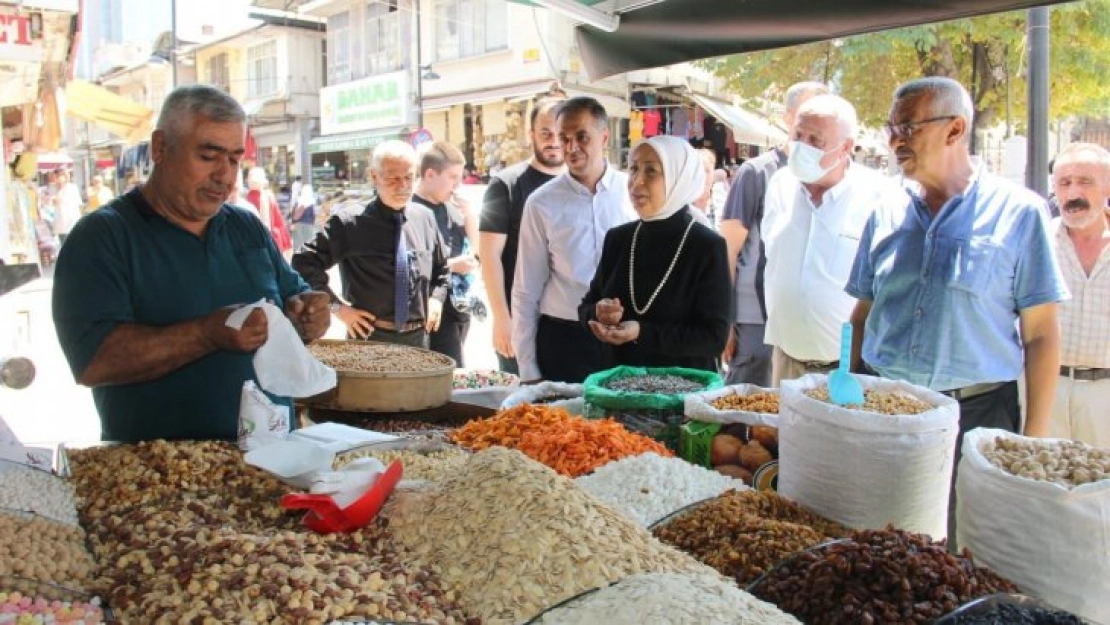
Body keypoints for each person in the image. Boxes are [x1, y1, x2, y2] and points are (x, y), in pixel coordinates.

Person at [846, 77, 1067, 540]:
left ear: (955, 129)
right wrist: (850, 399)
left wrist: (1029, 440)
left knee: (967, 549)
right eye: (891, 128)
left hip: (979, 415)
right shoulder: (883, 210)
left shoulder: (1020, 213)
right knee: (879, 537)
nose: (893, 142)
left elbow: (1041, 333)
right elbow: (862, 315)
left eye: (908, 128)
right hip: (888, 408)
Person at [51, 85, 330, 442]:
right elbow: (94, 360)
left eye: (233, 158)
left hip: (271, 458)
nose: (225, 175)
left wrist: (310, 312)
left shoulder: (245, 227)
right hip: (161, 472)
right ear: (161, 148)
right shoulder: (103, 237)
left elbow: (295, 298)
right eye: (208, 156)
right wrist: (205, 334)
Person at [762, 94, 896, 385]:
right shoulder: (780, 185)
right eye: (799, 135)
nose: (802, 146)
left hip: (846, 371)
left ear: (845, 147)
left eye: (815, 140)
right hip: (786, 362)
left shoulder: (878, 196)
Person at [580, 135, 730, 372]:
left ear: (678, 178)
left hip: (682, 396)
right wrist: (600, 313)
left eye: (651, 171)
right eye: (633, 169)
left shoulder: (706, 246)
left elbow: (713, 338)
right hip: (619, 390)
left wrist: (641, 332)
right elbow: (586, 307)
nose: (637, 182)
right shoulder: (618, 239)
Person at [512, 97, 634, 383]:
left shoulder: (631, 193)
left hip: (625, 337)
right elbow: (526, 289)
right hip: (564, 341)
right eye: (564, 138)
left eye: (582, 137)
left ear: (604, 136)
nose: (571, 147)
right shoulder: (541, 203)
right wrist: (528, 368)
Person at [719, 81, 828, 387]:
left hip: (802, 327)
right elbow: (728, 249)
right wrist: (726, 321)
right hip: (754, 321)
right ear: (787, 117)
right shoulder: (757, 172)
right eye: (805, 116)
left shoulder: (827, 177)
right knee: (745, 409)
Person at [293, 140, 449, 349]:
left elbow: (442, 271)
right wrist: (338, 308)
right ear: (374, 176)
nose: (402, 186)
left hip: (418, 340)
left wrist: (437, 299)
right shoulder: (349, 222)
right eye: (393, 178)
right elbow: (304, 263)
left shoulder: (425, 218)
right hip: (369, 339)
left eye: (409, 177)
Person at [480, 97, 565, 375]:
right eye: (545, 133)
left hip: (568, 323)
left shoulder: (580, 184)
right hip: (521, 320)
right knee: (525, 409)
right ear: (531, 136)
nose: (554, 141)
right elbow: (490, 255)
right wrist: (502, 318)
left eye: (560, 133)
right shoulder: (506, 184)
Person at [1047, 142, 1110, 448]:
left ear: (1107, 187)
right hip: (1045, 388)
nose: (1073, 193)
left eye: (1085, 182)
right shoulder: (1038, 243)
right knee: (1040, 487)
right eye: (1064, 183)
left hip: (1105, 394)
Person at [413, 141, 479, 366]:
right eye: (453, 177)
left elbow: (477, 249)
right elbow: (412, 264)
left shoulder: (451, 208)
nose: (457, 185)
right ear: (430, 174)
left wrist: (469, 213)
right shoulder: (411, 211)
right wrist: (452, 265)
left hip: (459, 307)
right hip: (430, 309)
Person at [245, 167, 293, 256]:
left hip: (253, 244)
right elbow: (279, 221)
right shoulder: (268, 196)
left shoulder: (245, 199)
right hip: (273, 241)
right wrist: (287, 243)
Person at [52, 168, 83, 246]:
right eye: (57, 176)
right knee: (64, 244)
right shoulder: (54, 189)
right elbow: (53, 202)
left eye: (61, 176)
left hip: (71, 222)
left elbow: (79, 205)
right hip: (61, 224)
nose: (58, 178)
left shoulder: (72, 188)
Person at [290, 180, 318, 251]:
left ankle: (297, 259)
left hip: (298, 225)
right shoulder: (311, 202)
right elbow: (313, 215)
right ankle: (307, 259)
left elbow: (293, 214)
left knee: (298, 244)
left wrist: (293, 223)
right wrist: (313, 223)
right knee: (308, 245)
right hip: (308, 225)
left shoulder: (299, 201)